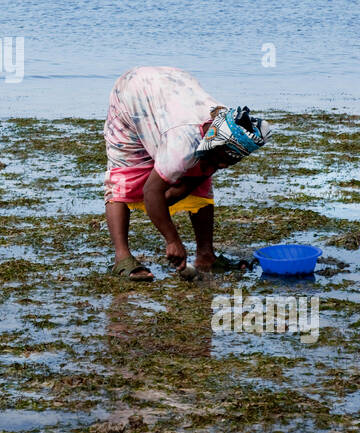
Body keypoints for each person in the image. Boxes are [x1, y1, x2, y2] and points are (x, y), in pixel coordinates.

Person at [103, 66, 271, 281]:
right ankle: (122, 258)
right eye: (223, 159)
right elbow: (151, 192)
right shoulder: (182, 145)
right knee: (126, 174)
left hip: (173, 85)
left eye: (232, 160)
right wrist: (172, 240)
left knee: (202, 170)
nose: (225, 166)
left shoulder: (228, 124)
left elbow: (204, 170)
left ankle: (205, 255)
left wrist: (183, 189)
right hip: (131, 93)